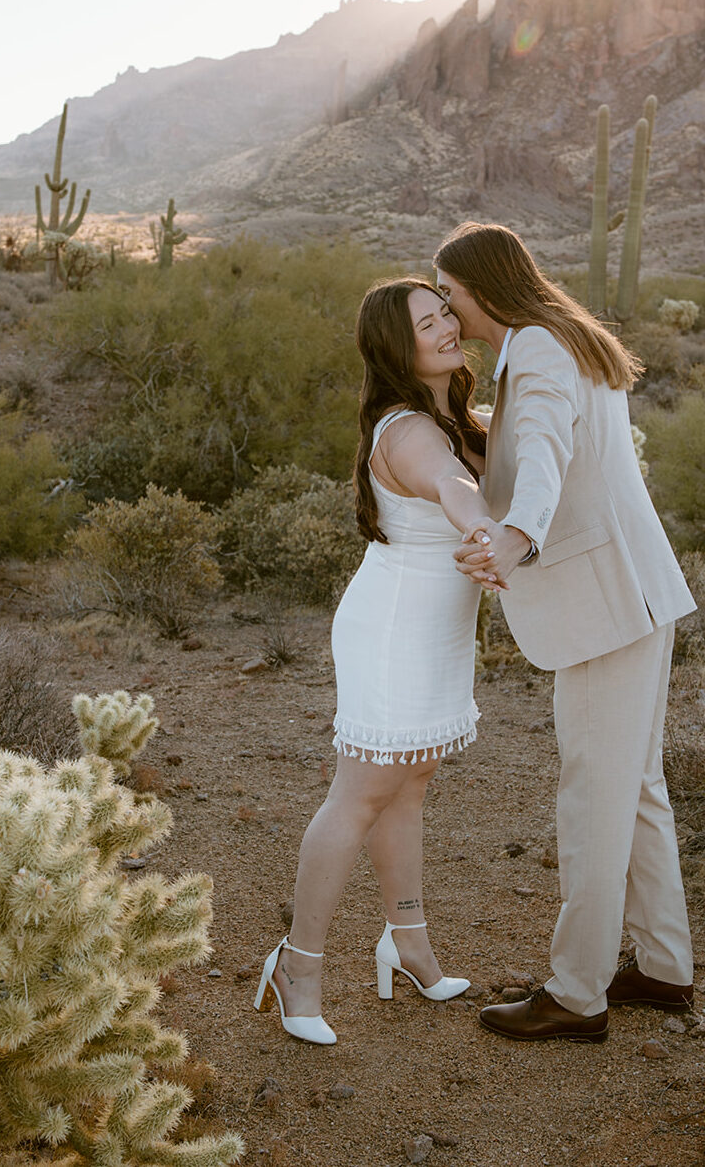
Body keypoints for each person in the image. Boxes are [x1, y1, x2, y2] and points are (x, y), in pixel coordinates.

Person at [433, 222, 697, 1043]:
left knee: (593, 796)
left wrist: (516, 536)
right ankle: (662, 967)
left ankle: (576, 994)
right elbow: (540, 445)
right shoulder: (563, 341)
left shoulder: (540, 350)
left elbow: (543, 457)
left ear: (481, 287)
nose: (446, 307)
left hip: (602, 611)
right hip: (635, 596)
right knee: (636, 787)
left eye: (449, 292)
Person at [254, 278, 493, 1045]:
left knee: (410, 783)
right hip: (393, 630)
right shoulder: (408, 431)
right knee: (359, 795)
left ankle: (407, 940)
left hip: (439, 628)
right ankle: (299, 965)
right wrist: (489, 528)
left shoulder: (452, 414)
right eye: (428, 324)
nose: (447, 328)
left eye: (446, 313)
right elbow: (452, 485)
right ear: (399, 346)